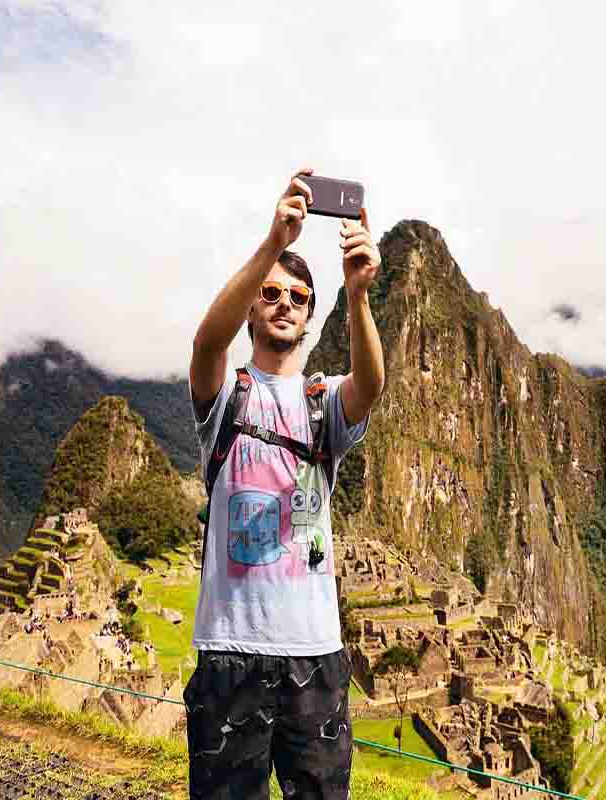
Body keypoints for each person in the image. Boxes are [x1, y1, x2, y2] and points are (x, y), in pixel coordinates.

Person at [184, 166, 385, 800]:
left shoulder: (323, 403)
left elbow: (371, 385)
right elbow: (205, 341)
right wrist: (273, 242)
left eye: (297, 299)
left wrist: (357, 295)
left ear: (309, 317)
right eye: (269, 295)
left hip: (315, 652)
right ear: (251, 309)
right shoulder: (226, 397)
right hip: (230, 651)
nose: (283, 305)